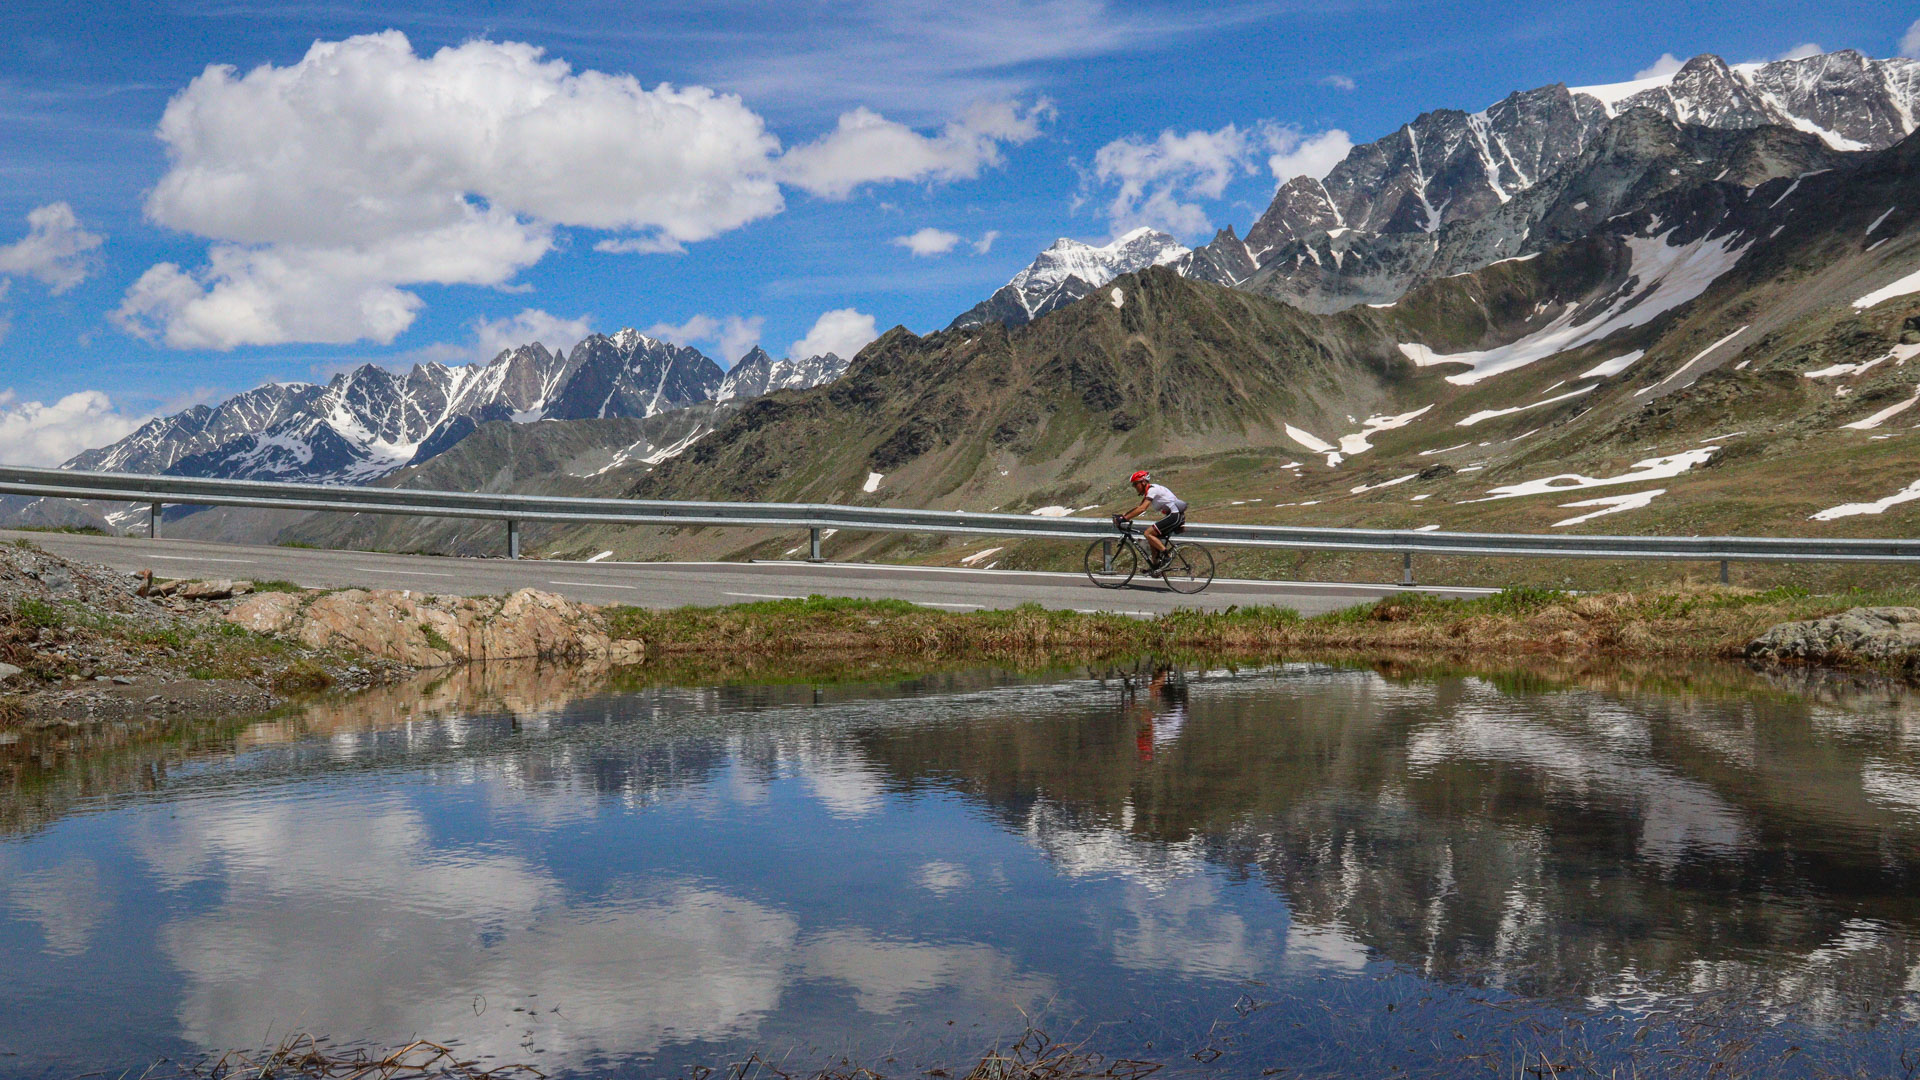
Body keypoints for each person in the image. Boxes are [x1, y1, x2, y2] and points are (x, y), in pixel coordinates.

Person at [1115, 469, 1187, 574]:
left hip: (1174, 515)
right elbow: (1138, 507)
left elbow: (1142, 509)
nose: (1135, 487)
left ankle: (1167, 555)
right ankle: (1156, 567)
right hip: (1174, 515)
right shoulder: (1150, 490)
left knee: (1148, 533)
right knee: (1152, 538)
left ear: (1143, 482)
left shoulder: (1152, 490)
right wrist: (1123, 516)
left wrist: (1124, 519)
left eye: (1135, 484)